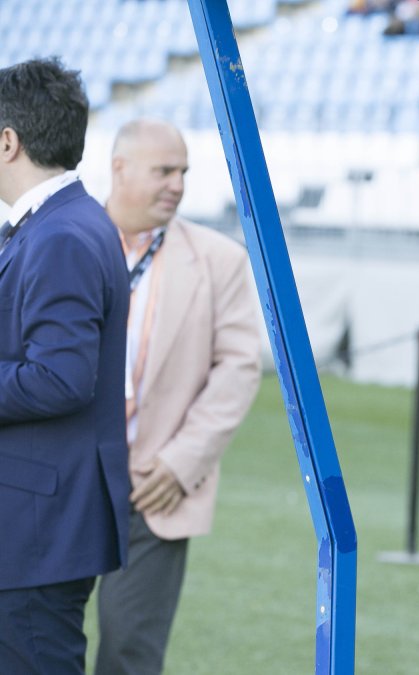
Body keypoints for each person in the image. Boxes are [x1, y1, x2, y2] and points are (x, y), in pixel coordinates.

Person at [93, 118, 262, 675]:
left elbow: (238, 369)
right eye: (164, 170)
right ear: (119, 169)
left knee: (129, 653)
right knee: (37, 641)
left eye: (183, 172)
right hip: (62, 478)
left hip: (154, 487)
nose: (177, 184)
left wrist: (183, 460)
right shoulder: (60, 241)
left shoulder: (220, 260)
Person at [0, 57, 130, 674]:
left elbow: (59, 378)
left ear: (8, 142)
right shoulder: (56, 225)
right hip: (36, 525)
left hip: (37, 531)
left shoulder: (62, 235)